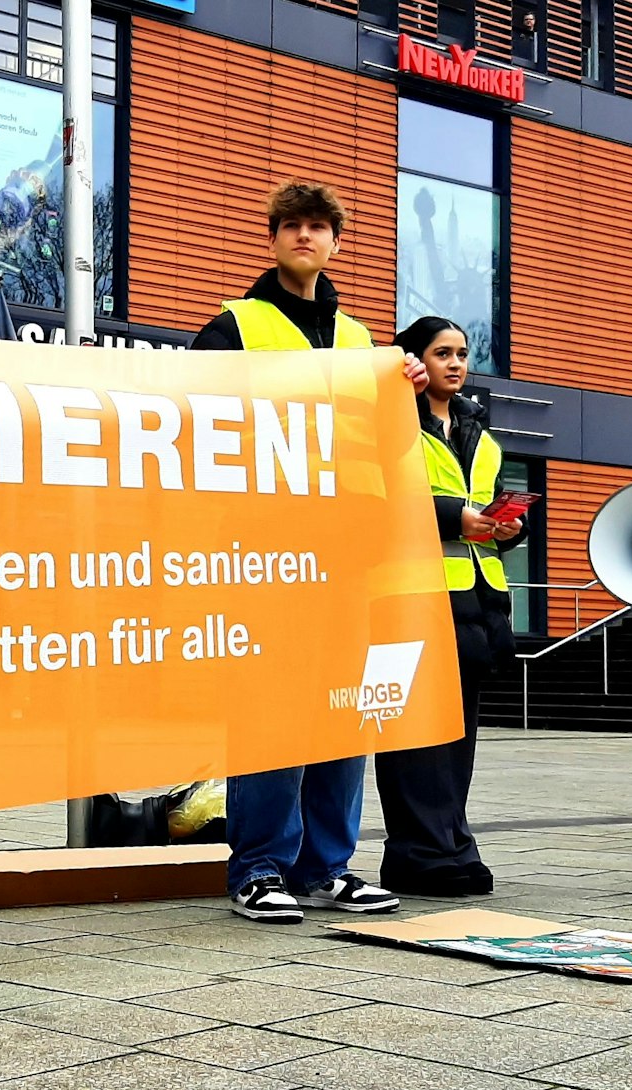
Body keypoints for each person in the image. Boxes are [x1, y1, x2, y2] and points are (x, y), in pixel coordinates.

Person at [195, 180, 425, 923]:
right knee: (270, 707)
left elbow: (387, 446)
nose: (304, 237)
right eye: (290, 225)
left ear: (335, 241)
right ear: (272, 238)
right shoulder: (234, 326)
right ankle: (257, 866)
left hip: (348, 551)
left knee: (345, 707)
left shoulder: (364, 342)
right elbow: (193, 426)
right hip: (267, 548)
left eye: (318, 227)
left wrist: (408, 391)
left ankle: (327, 866)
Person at [376, 318, 525, 897]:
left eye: (462, 353)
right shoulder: (390, 424)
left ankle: (451, 844)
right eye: (442, 353)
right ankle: (419, 854)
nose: (457, 363)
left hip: (478, 601)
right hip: (416, 596)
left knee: (458, 736)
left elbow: (484, 510)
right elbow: (381, 498)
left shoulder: (480, 434)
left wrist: (507, 528)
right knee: (417, 735)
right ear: (413, 361)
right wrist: (451, 517)